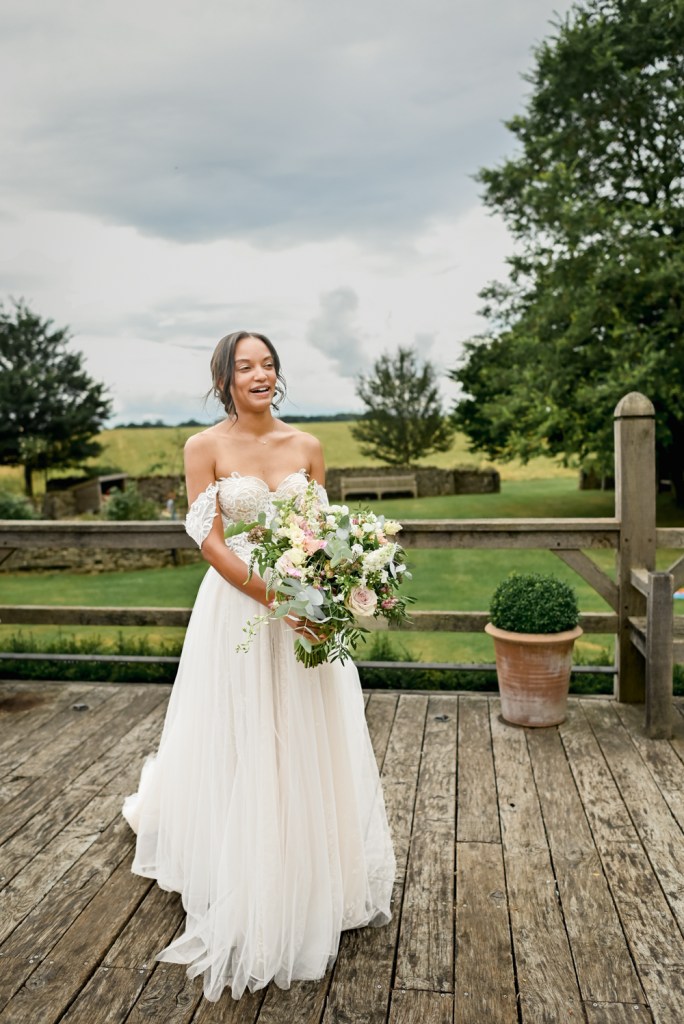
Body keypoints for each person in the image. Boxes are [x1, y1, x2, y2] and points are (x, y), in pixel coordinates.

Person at [122, 331, 396, 1002]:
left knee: (306, 732)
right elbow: (208, 542)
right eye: (245, 366)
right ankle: (242, 858)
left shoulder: (307, 446)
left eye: (268, 363)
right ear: (224, 380)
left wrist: (326, 596)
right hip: (240, 610)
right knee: (242, 729)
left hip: (304, 612)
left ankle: (309, 864)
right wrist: (277, 596)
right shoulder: (204, 447)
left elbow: (323, 536)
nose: (260, 374)